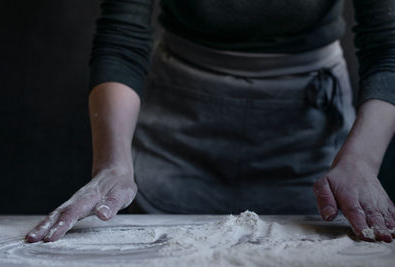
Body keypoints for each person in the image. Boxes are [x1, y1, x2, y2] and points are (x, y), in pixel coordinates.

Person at [26, 0, 395, 243]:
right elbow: (121, 39)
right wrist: (112, 162)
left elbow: (388, 47)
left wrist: (361, 160)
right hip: (179, 119)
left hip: (306, 124)